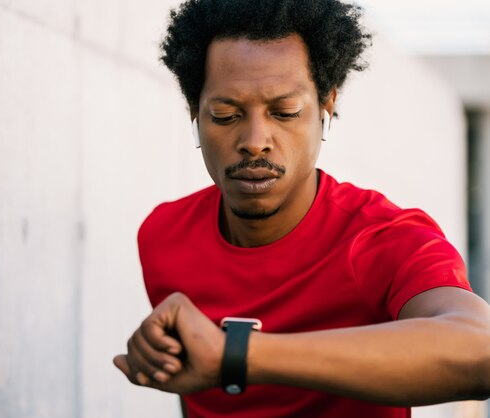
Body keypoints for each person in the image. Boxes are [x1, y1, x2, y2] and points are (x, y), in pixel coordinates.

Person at [113, 0, 490, 417]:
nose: (255, 140)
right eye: (225, 114)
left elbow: (481, 350)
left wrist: (236, 356)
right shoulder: (164, 236)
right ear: (194, 113)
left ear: (326, 107)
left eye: (285, 112)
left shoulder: (383, 238)